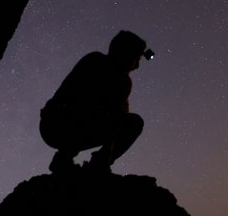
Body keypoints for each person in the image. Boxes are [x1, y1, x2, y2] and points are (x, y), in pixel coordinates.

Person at [39, 30, 153, 173]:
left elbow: (119, 117)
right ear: (126, 54)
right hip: (59, 124)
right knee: (127, 122)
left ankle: (65, 158)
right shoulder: (106, 70)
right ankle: (90, 162)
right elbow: (113, 117)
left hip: (51, 125)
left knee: (126, 122)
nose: (136, 66)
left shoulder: (94, 59)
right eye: (136, 59)